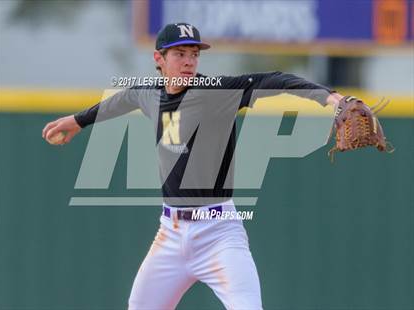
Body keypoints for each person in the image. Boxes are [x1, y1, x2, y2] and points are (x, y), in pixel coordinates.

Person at [42, 23, 345, 309]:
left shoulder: (216, 92)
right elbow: (122, 100)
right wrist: (78, 121)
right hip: (170, 234)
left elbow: (274, 79)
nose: (189, 61)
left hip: (219, 233)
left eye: (194, 54)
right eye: (179, 54)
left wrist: (330, 98)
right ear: (158, 59)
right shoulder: (149, 93)